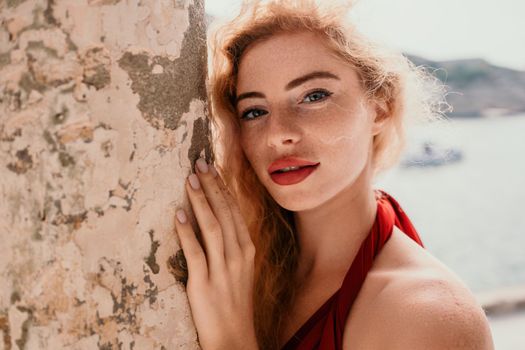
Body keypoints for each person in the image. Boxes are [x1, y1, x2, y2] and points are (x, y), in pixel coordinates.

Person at [173, 1, 494, 349]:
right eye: (254, 111)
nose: (278, 133)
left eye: (314, 96)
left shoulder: (426, 315)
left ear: (380, 107)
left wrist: (231, 341)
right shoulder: (240, 269)